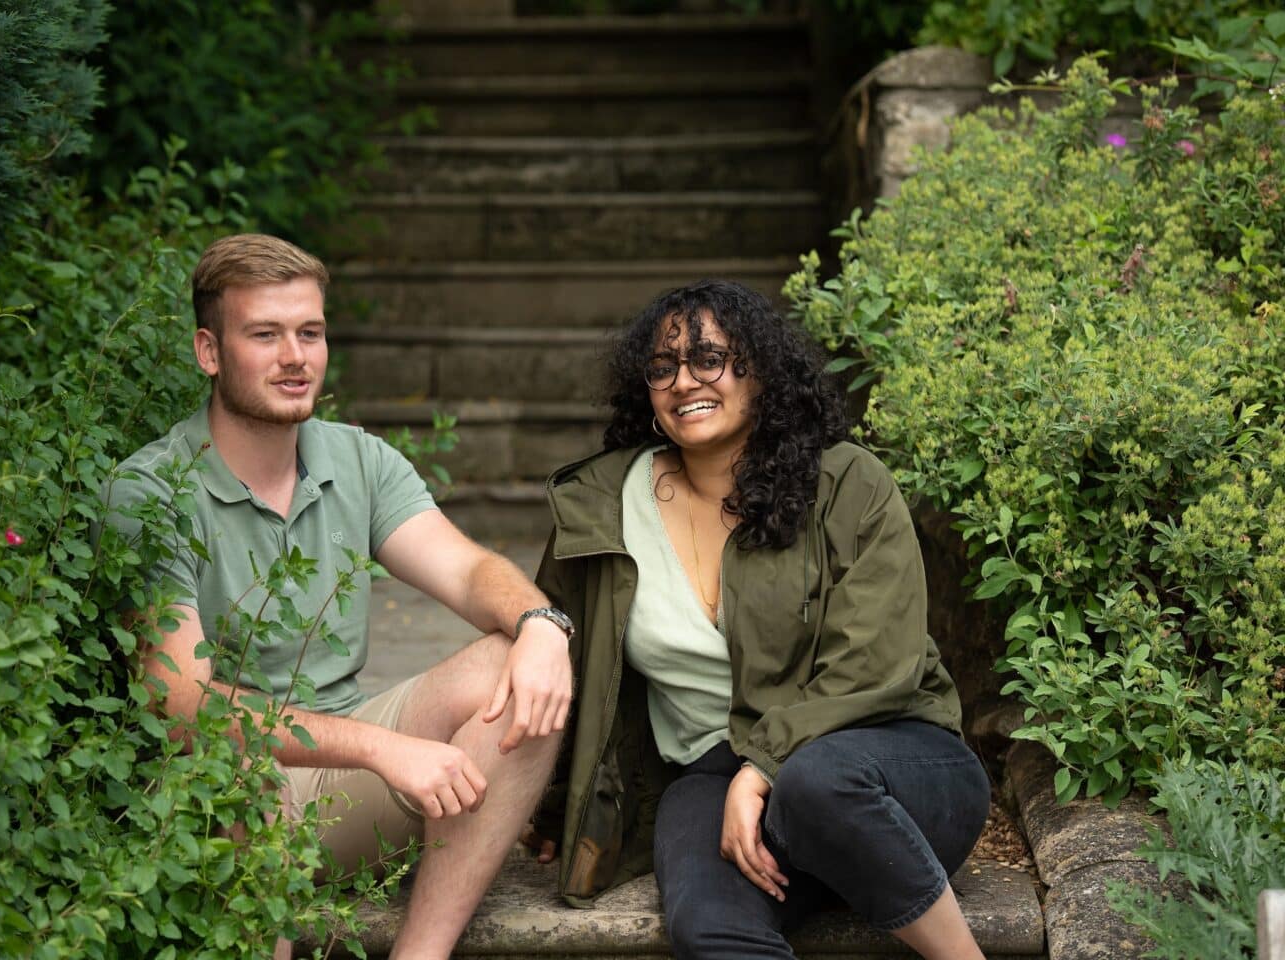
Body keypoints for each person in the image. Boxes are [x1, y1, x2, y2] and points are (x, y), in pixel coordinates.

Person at [103, 233, 572, 960]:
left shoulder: (357, 458)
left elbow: (470, 571)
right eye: (265, 334)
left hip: (339, 796)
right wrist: (385, 747)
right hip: (211, 796)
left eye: (310, 333)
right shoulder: (151, 490)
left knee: (513, 665)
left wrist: (542, 624)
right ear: (209, 350)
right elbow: (181, 706)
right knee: (241, 779)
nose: (295, 356)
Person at [529, 279, 991, 959]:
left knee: (816, 782)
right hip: (710, 776)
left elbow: (878, 665)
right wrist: (554, 803)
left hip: (888, 767)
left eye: (709, 358)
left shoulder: (846, 483)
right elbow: (568, 660)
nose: (684, 380)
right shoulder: (603, 507)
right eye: (663, 368)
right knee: (706, 923)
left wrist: (763, 768)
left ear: (762, 371)